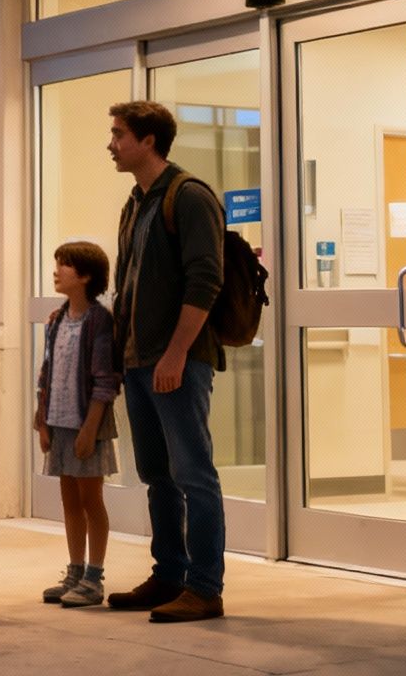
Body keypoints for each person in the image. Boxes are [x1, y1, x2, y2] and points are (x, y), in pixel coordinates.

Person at [104, 99, 228, 623]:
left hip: (176, 360)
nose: (110, 144)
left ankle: (204, 588)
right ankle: (168, 576)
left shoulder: (190, 196)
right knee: (158, 475)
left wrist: (176, 352)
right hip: (139, 362)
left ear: (147, 141)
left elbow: (206, 279)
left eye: (118, 134)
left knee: (194, 474)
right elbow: (128, 286)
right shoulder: (137, 201)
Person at [33, 240, 120, 609]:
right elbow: (47, 371)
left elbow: (106, 380)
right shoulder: (56, 319)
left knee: (91, 499)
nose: (56, 270)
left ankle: (94, 577)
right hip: (59, 422)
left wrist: (90, 428)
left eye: (64, 265)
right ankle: (74, 570)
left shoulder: (99, 320)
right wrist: (42, 419)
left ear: (84, 276)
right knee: (69, 499)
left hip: (88, 427)